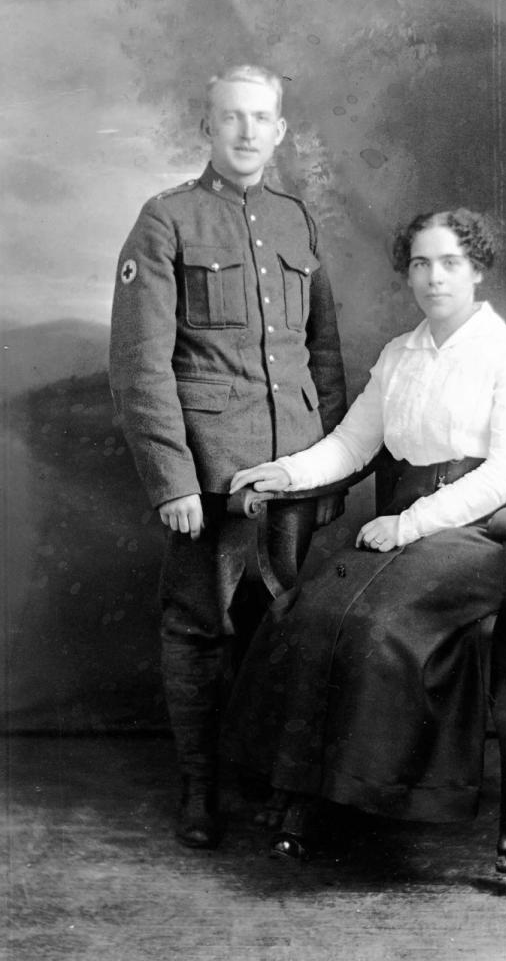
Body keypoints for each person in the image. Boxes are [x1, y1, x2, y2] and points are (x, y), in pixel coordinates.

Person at [228, 208, 506, 859]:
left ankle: (375, 794)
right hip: (399, 535)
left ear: (477, 270)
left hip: (480, 540)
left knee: (378, 625)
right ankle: (301, 789)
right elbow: (352, 444)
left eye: (451, 262)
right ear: (407, 273)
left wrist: (410, 524)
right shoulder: (400, 354)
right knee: (309, 611)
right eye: (421, 263)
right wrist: (285, 472)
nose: (435, 278)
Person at [109, 64, 347, 849]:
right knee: (199, 628)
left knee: (279, 627)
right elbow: (140, 366)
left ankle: (266, 780)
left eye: (261, 117)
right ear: (206, 127)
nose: (247, 131)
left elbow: (322, 351)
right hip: (211, 476)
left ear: (280, 130)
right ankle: (200, 789)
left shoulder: (296, 219)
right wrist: (171, 480)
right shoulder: (166, 218)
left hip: (295, 471)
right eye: (231, 117)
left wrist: (331, 465)